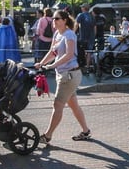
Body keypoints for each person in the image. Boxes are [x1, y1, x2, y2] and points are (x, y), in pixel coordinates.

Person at [34, 9, 91, 143]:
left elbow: (69, 55)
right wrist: (41, 63)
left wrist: (52, 65)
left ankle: (47, 136)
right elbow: (53, 52)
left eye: (57, 18)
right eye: (53, 18)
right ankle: (85, 131)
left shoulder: (69, 34)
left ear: (64, 21)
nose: (54, 21)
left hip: (70, 75)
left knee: (57, 104)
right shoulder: (57, 35)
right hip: (63, 74)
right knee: (73, 105)